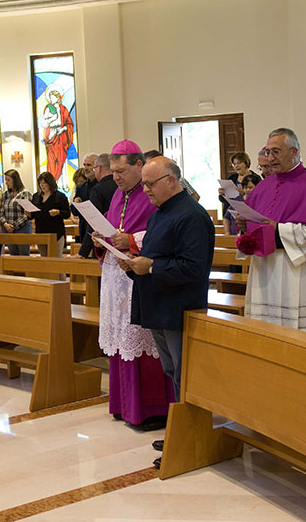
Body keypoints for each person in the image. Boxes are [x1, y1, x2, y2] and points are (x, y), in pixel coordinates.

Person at [120, 156, 215, 469]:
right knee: (172, 372)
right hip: (158, 304)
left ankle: (190, 437)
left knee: (183, 374)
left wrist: (151, 266)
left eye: (150, 183)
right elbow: (152, 257)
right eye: (144, 183)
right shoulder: (160, 214)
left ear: (171, 181)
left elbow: (194, 268)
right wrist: (134, 265)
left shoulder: (193, 216)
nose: (145, 189)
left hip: (179, 307)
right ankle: (179, 430)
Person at [94, 141, 172, 430]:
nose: (115, 177)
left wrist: (131, 241)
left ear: (139, 166)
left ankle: (149, 408)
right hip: (116, 277)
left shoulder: (153, 194)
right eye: (113, 171)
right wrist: (101, 240)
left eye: (121, 171)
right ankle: (123, 403)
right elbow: (115, 229)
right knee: (120, 338)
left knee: (140, 338)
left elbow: (162, 233)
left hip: (141, 276)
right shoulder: (117, 195)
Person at [237, 128, 306, 333]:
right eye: (268, 152)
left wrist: (277, 229)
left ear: (294, 152)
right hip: (264, 270)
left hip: (296, 270)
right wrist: (245, 227)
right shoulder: (263, 186)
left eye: (276, 151)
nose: (270, 158)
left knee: (297, 331)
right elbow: (254, 221)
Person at [78, 154, 118, 258]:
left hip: (102, 241)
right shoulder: (120, 185)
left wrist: (83, 252)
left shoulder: (98, 189)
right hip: (119, 240)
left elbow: (94, 222)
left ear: (99, 168)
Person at [28, 171, 71, 257]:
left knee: (56, 259)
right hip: (41, 232)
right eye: (40, 183)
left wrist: (58, 212)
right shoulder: (36, 196)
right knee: (44, 260)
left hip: (56, 233)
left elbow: (67, 213)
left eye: (44, 183)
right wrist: (28, 214)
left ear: (50, 183)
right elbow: (33, 215)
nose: (42, 185)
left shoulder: (59, 196)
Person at [40, 88, 74, 183]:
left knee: (60, 159)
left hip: (60, 136)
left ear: (58, 98)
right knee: (51, 160)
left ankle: (61, 182)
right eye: (50, 97)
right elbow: (44, 122)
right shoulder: (48, 108)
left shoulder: (63, 109)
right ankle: (52, 182)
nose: (52, 99)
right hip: (51, 135)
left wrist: (63, 129)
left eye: (53, 97)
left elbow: (69, 123)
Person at [219, 152, 258, 233]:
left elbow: (259, 196)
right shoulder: (232, 178)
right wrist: (222, 194)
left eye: (239, 163)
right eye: (234, 164)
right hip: (231, 213)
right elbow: (224, 200)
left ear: (246, 163)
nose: (236, 166)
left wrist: (244, 193)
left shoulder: (255, 178)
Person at [0, 169, 33, 256]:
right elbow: (1, 212)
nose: (6, 182)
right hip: (8, 229)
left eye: (8, 180)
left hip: (22, 228)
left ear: (15, 180)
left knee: (23, 254)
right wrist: (5, 223)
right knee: (13, 254)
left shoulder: (25, 194)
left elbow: (27, 214)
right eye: (5, 180)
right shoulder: (6, 195)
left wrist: (14, 225)